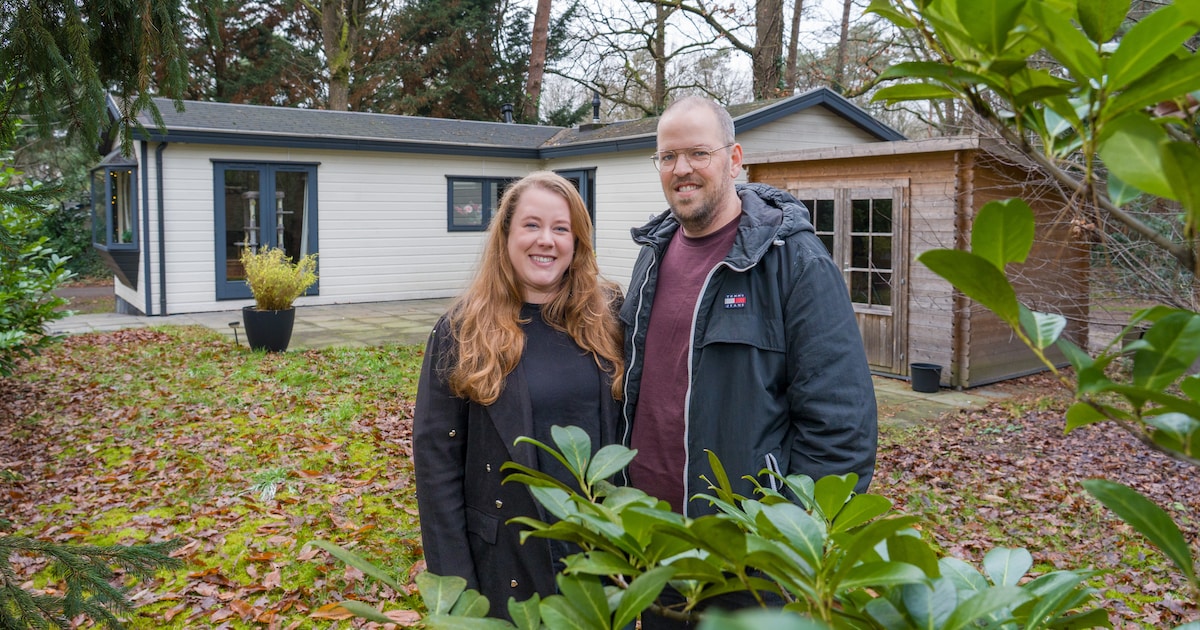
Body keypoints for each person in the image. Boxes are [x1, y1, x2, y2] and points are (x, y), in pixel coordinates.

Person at [620, 96, 878, 625]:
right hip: (653, 546)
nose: (681, 169)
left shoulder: (794, 263)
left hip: (746, 563)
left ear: (734, 159)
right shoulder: (652, 254)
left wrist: (782, 540)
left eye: (699, 153)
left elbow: (842, 428)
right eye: (667, 156)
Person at [414, 171, 624, 620]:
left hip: (597, 559)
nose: (546, 240)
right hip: (507, 562)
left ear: (577, 242)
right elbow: (436, 468)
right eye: (531, 225)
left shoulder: (609, 320)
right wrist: (458, 595)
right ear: (506, 234)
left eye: (561, 228)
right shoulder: (461, 331)